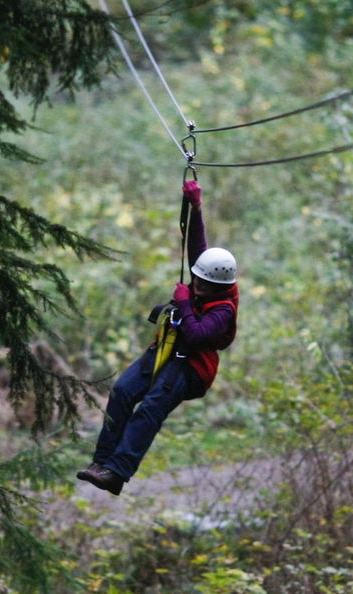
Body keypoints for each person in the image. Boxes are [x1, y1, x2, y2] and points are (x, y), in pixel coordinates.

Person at [77, 180, 238, 495]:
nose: (198, 287)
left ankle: (116, 472)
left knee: (151, 407)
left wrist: (182, 302)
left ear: (220, 286)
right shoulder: (205, 277)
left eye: (205, 286)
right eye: (197, 281)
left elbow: (195, 335)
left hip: (190, 366)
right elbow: (198, 250)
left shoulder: (225, 308)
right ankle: (101, 462)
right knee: (123, 391)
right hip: (166, 350)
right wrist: (196, 207)